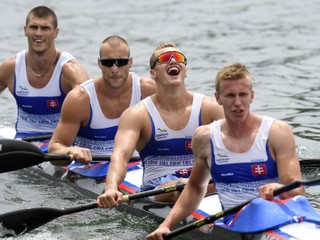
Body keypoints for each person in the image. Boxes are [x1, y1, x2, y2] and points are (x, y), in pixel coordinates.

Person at [146, 63, 305, 240]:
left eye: (243, 95)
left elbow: (297, 190)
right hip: (234, 224)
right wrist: (166, 225)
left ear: (251, 96)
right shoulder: (205, 137)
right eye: (230, 95)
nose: (238, 103)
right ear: (218, 98)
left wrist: (279, 188)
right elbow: (195, 187)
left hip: (276, 218)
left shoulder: (277, 132)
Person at [96, 42, 224, 205]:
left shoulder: (211, 107)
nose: (172, 61)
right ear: (153, 73)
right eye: (164, 58)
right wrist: (111, 188)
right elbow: (121, 156)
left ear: (185, 71)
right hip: (160, 188)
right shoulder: (137, 114)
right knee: (182, 186)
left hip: (202, 179)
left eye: (178, 58)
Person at [48, 35, 156, 166]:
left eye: (121, 62)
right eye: (108, 63)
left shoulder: (149, 91)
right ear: (99, 63)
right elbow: (54, 150)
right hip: (91, 167)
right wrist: (70, 150)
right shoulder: (79, 99)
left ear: (131, 62)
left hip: (136, 165)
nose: (115, 69)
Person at [0, 6, 88, 139]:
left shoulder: (70, 70)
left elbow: (90, 109)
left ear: (55, 32)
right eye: (33, 27)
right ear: (25, 31)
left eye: (45, 28)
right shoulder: (10, 68)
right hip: (24, 141)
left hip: (60, 143)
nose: (38, 33)